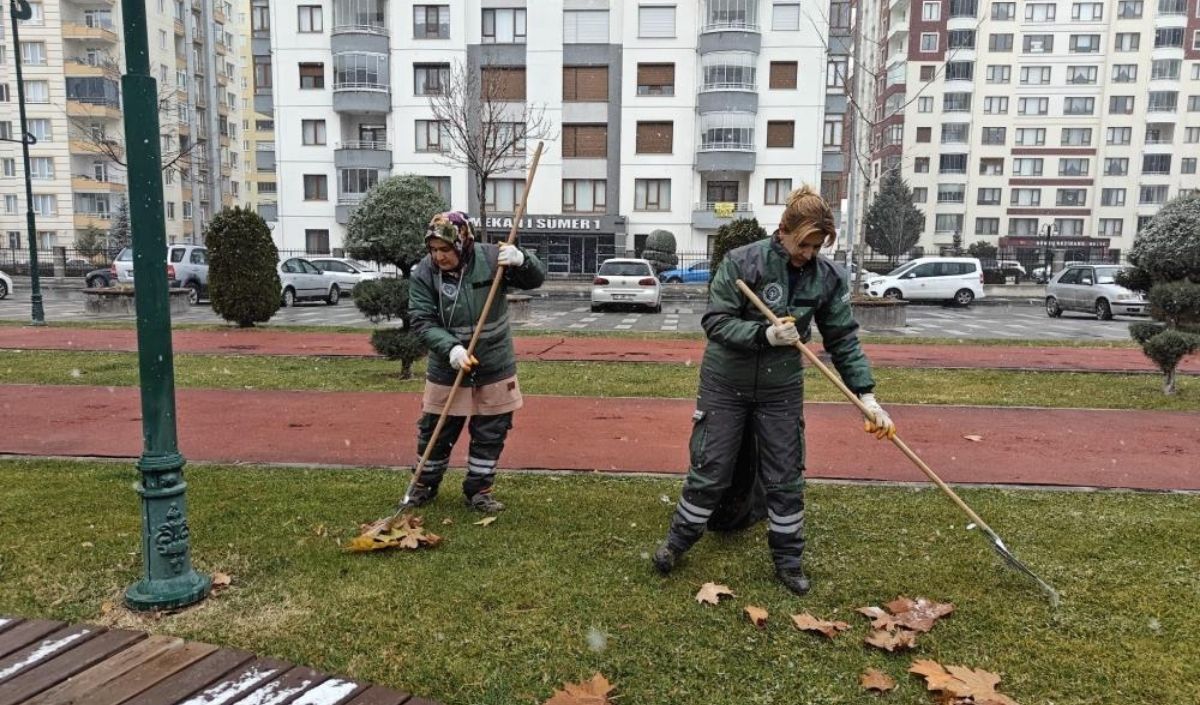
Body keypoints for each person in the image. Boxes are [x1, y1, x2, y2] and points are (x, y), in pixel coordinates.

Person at [651, 185, 896, 595]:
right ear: (784, 230)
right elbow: (715, 322)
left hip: (781, 389)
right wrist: (762, 333)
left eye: (819, 246)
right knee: (711, 467)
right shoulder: (742, 262)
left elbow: (843, 339)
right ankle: (676, 543)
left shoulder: (827, 277)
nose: (810, 254)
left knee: (785, 474)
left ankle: (788, 560)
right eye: (805, 244)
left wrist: (866, 396)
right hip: (725, 383)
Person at [405, 211, 546, 513]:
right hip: (448, 366)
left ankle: (479, 489)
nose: (439, 256)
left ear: (462, 243)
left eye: (445, 249)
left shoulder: (494, 258)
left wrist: (523, 260)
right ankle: (423, 485)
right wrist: (451, 349)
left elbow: (534, 279)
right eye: (433, 250)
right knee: (436, 430)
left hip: (494, 363)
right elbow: (421, 319)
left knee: (491, 431)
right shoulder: (423, 274)